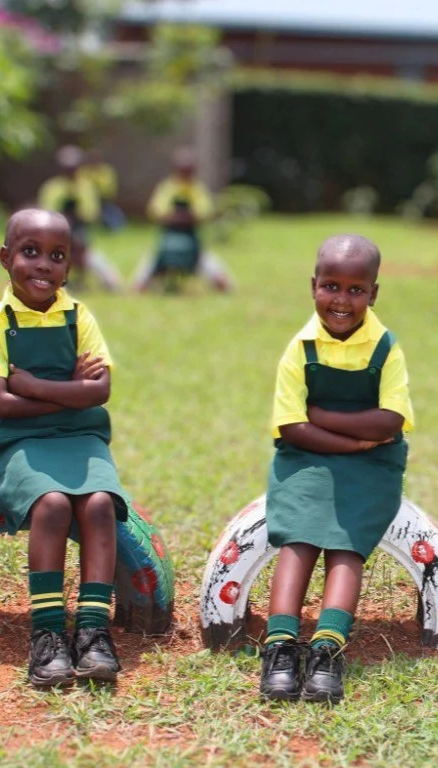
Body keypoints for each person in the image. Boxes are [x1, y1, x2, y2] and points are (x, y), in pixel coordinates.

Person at [0, 208, 128, 687]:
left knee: (100, 504)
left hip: (82, 438)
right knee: (53, 504)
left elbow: (99, 393)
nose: (43, 265)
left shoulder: (81, 318)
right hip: (20, 444)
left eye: (57, 256)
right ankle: (48, 634)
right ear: (5, 258)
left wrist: (33, 385)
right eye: (29, 252)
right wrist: (68, 393)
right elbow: (1, 405)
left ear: (70, 266)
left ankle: (94, 631)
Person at [260, 235, 414, 704]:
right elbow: (291, 429)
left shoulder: (385, 349)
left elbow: (390, 420)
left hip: (372, 466)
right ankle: (281, 647)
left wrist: (322, 417)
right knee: (299, 538)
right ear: (313, 286)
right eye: (331, 286)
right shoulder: (299, 348)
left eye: (354, 289)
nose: (341, 300)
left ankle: (328, 649)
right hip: (306, 459)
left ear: (373, 293)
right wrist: (355, 437)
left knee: (347, 546)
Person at [135, 147, 232, 293]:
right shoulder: (167, 187)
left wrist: (181, 217)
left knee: (222, 279)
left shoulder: (197, 188)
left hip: (192, 243)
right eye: (183, 170)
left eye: (189, 170)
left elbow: (205, 211)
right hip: (167, 242)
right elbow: (156, 210)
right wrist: (182, 217)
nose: (186, 173)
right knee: (142, 279)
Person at [38, 145, 121, 291]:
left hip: (79, 235)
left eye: (74, 168)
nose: (71, 172)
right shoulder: (53, 188)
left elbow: (91, 213)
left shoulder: (86, 187)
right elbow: (46, 214)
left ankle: (82, 278)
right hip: (55, 237)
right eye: (67, 169)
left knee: (111, 281)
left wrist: (75, 217)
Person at [80, 150, 126, 231]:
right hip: (87, 200)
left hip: (104, 200)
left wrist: (94, 182)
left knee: (114, 217)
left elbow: (108, 188)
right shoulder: (84, 171)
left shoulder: (106, 171)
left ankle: (116, 228)